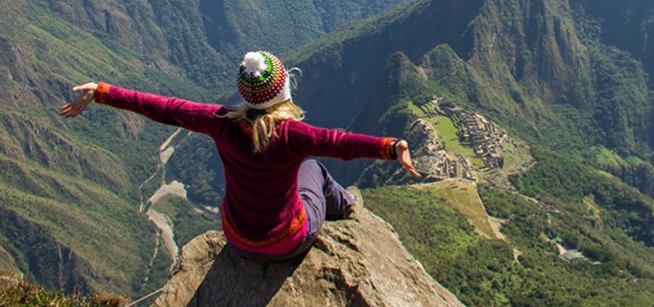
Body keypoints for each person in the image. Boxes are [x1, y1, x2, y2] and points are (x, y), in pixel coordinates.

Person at [60, 50, 420, 262]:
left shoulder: (220, 122)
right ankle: (348, 207)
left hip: (237, 237)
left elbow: (165, 108)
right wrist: (391, 147)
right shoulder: (291, 135)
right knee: (313, 168)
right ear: (284, 91)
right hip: (287, 240)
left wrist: (104, 92)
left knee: (303, 168)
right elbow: (340, 143)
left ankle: (342, 206)